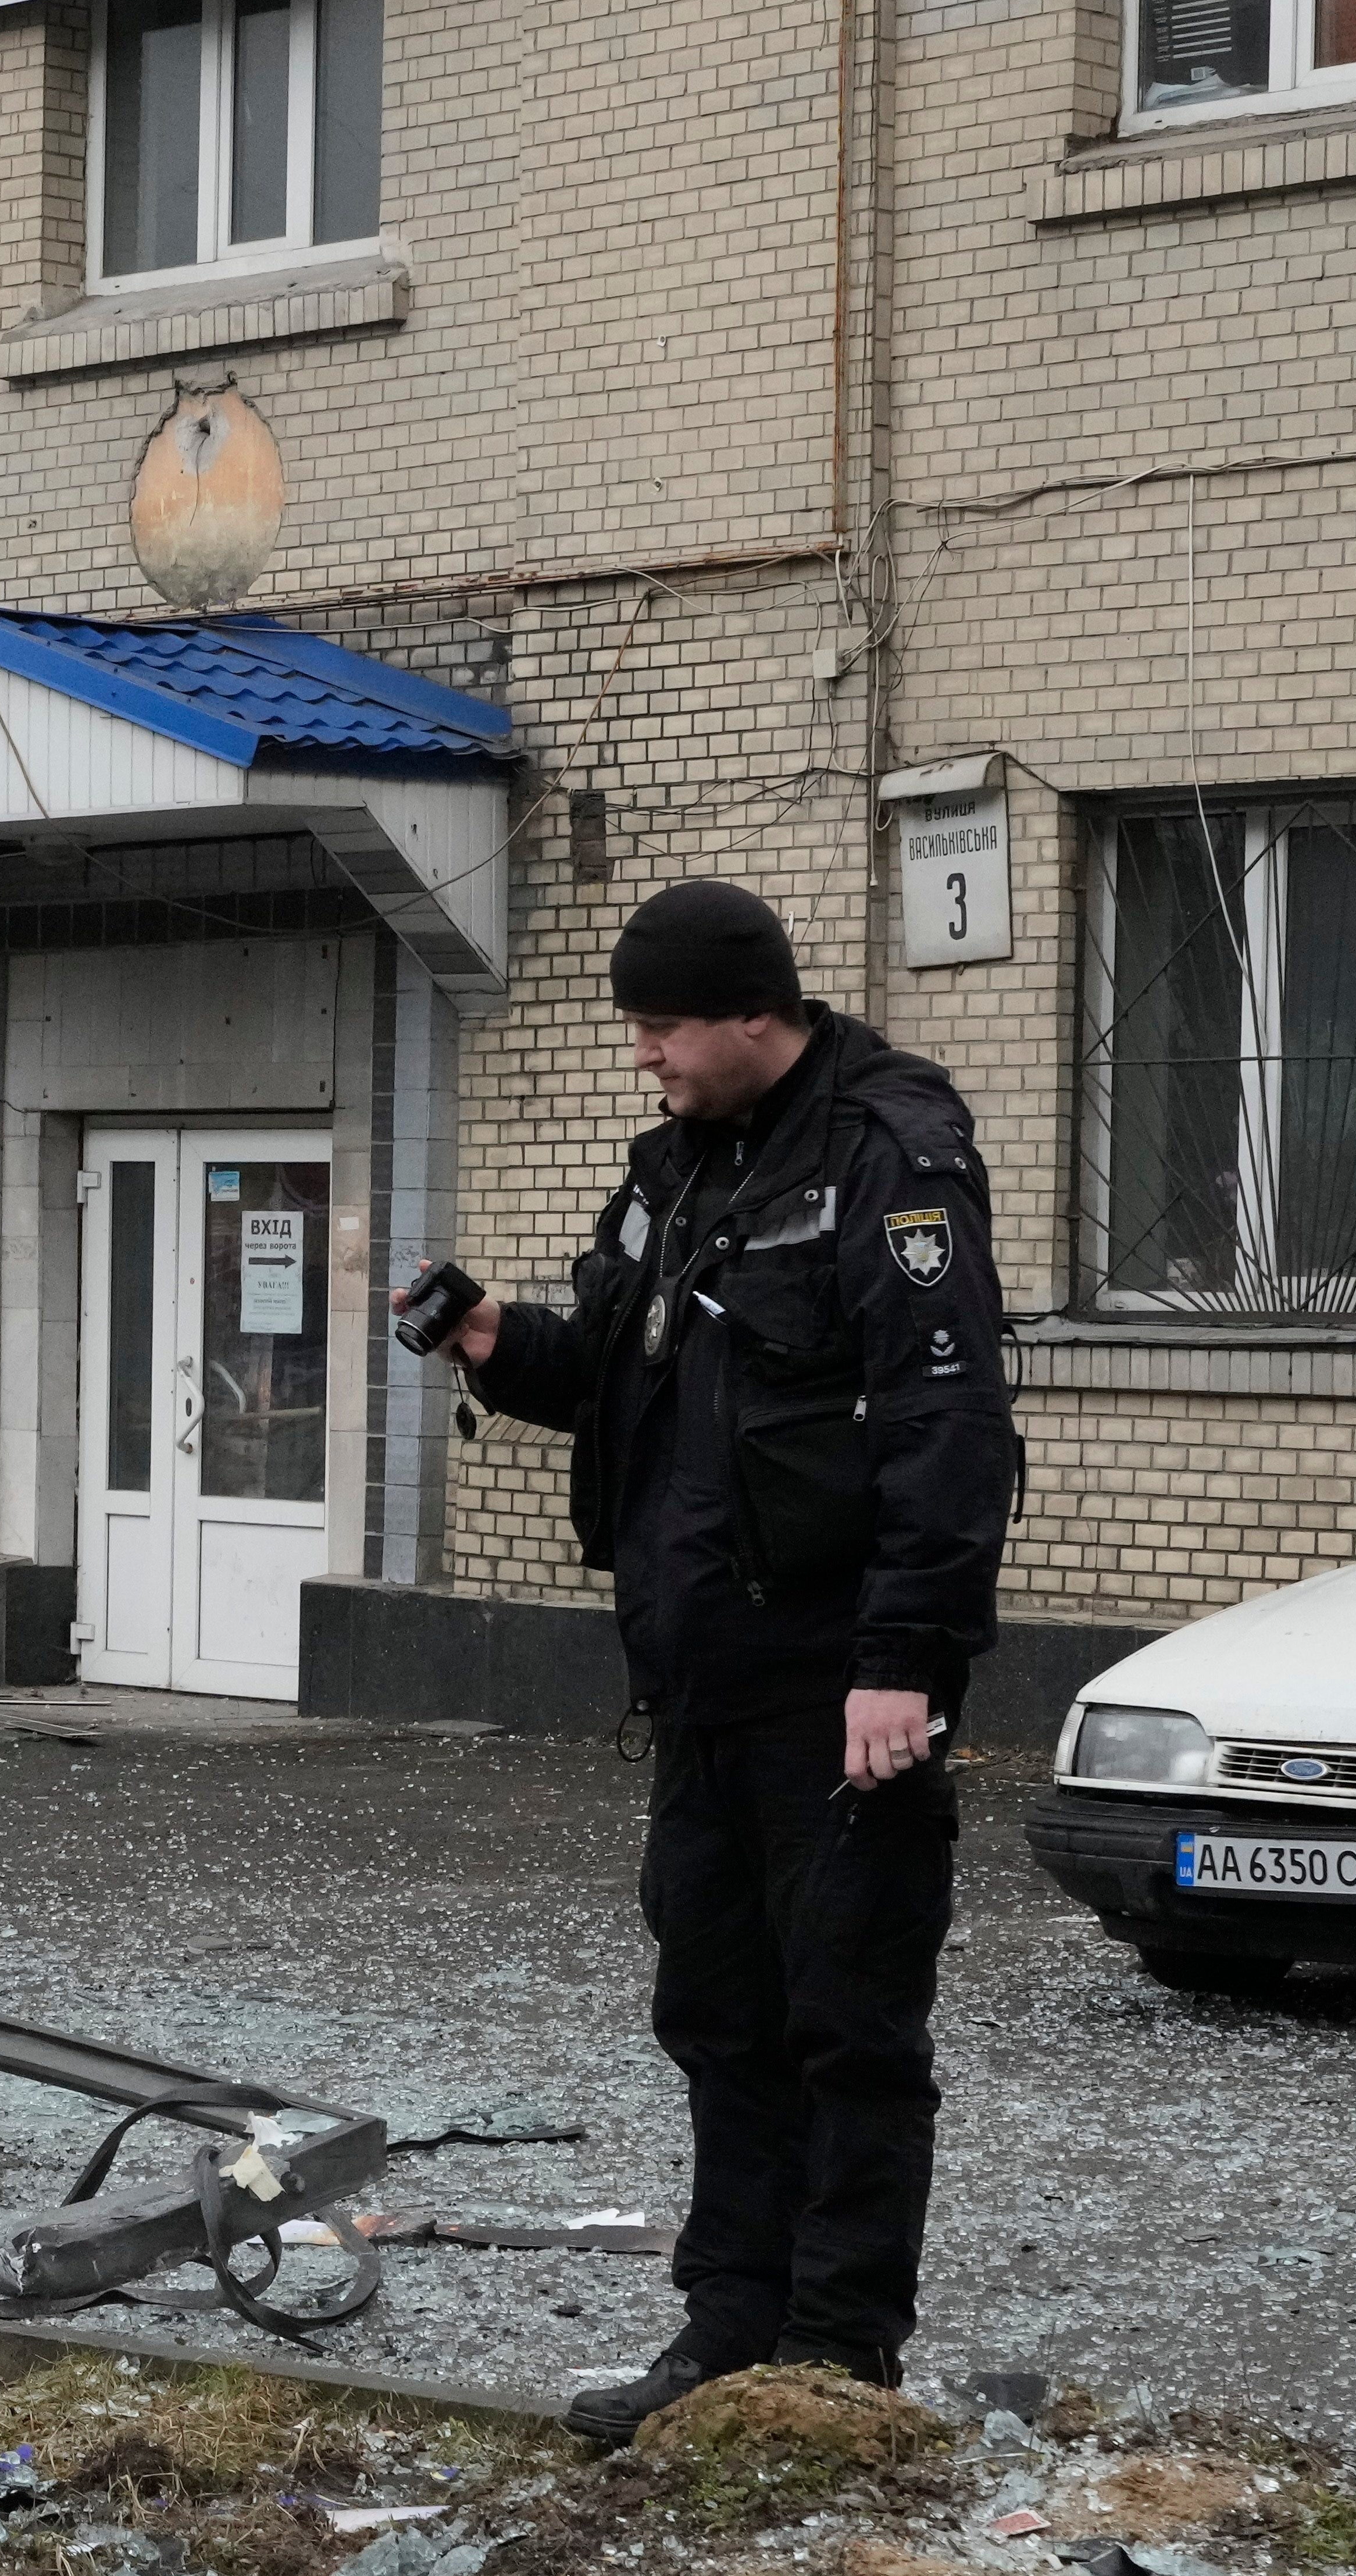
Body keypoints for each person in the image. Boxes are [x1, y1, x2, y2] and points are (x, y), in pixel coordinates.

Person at [430, 879, 1016, 2450]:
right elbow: (620, 1372)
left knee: (847, 2023)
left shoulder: (889, 1160)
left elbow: (948, 1425)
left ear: (757, 1013)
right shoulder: (679, 1170)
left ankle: (833, 2360)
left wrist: (904, 1658)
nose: (645, 1055)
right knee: (719, 2014)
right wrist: (494, 1336)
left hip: (842, 1688)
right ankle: (730, 2331)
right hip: (702, 1685)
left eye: (664, 1026)